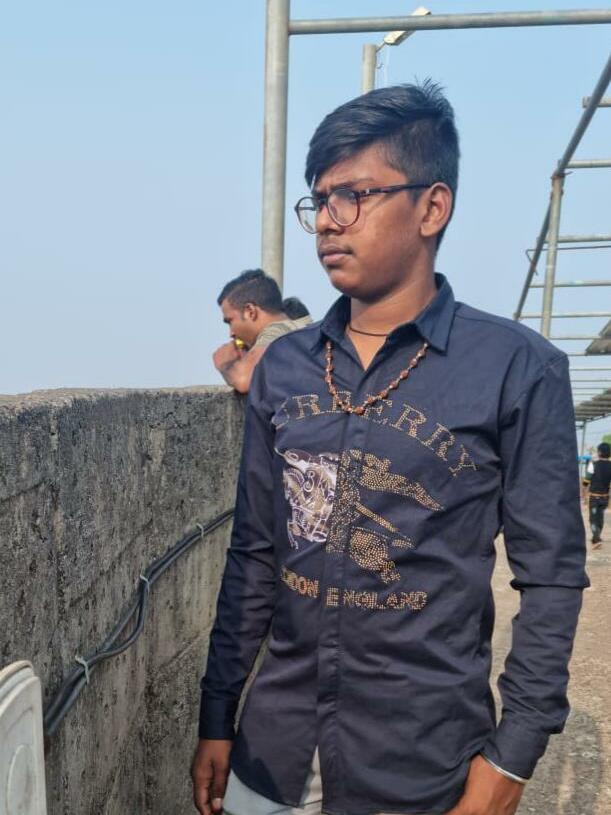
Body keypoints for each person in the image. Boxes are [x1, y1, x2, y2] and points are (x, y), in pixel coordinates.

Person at [193, 81, 588, 815]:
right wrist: (217, 713)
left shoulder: (516, 368)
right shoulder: (285, 367)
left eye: (355, 195)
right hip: (272, 751)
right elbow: (254, 552)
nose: (327, 221)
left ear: (432, 208)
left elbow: (551, 576)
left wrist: (512, 756)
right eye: (319, 200)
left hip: (421, 766)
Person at [213, 269, 311, 394]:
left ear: (250, 311)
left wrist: (225, 363)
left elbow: (244, 379)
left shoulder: (278, 331)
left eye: (230, 321)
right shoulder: (299, 328)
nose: (231, 333)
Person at [582, 441, 611, 549]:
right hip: (605, 498)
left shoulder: (593, 464)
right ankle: (597, 537)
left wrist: (584, 491)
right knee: (600, 518)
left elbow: (586, 481)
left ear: (599, 452)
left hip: (594, 497)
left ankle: (596, 539)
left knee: (593, 519)